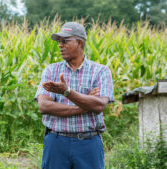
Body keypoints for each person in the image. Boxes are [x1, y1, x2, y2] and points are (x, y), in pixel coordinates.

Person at [35, 22, 114, 169]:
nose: (60, 45)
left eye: (65, 41)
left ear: (79, 43)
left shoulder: (101, 71)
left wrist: (67, 92)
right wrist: (84, 105)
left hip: (88, 143)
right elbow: (44, 106)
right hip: (56, 142)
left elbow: (99, 105)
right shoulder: (51, 71)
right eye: (59, 42)